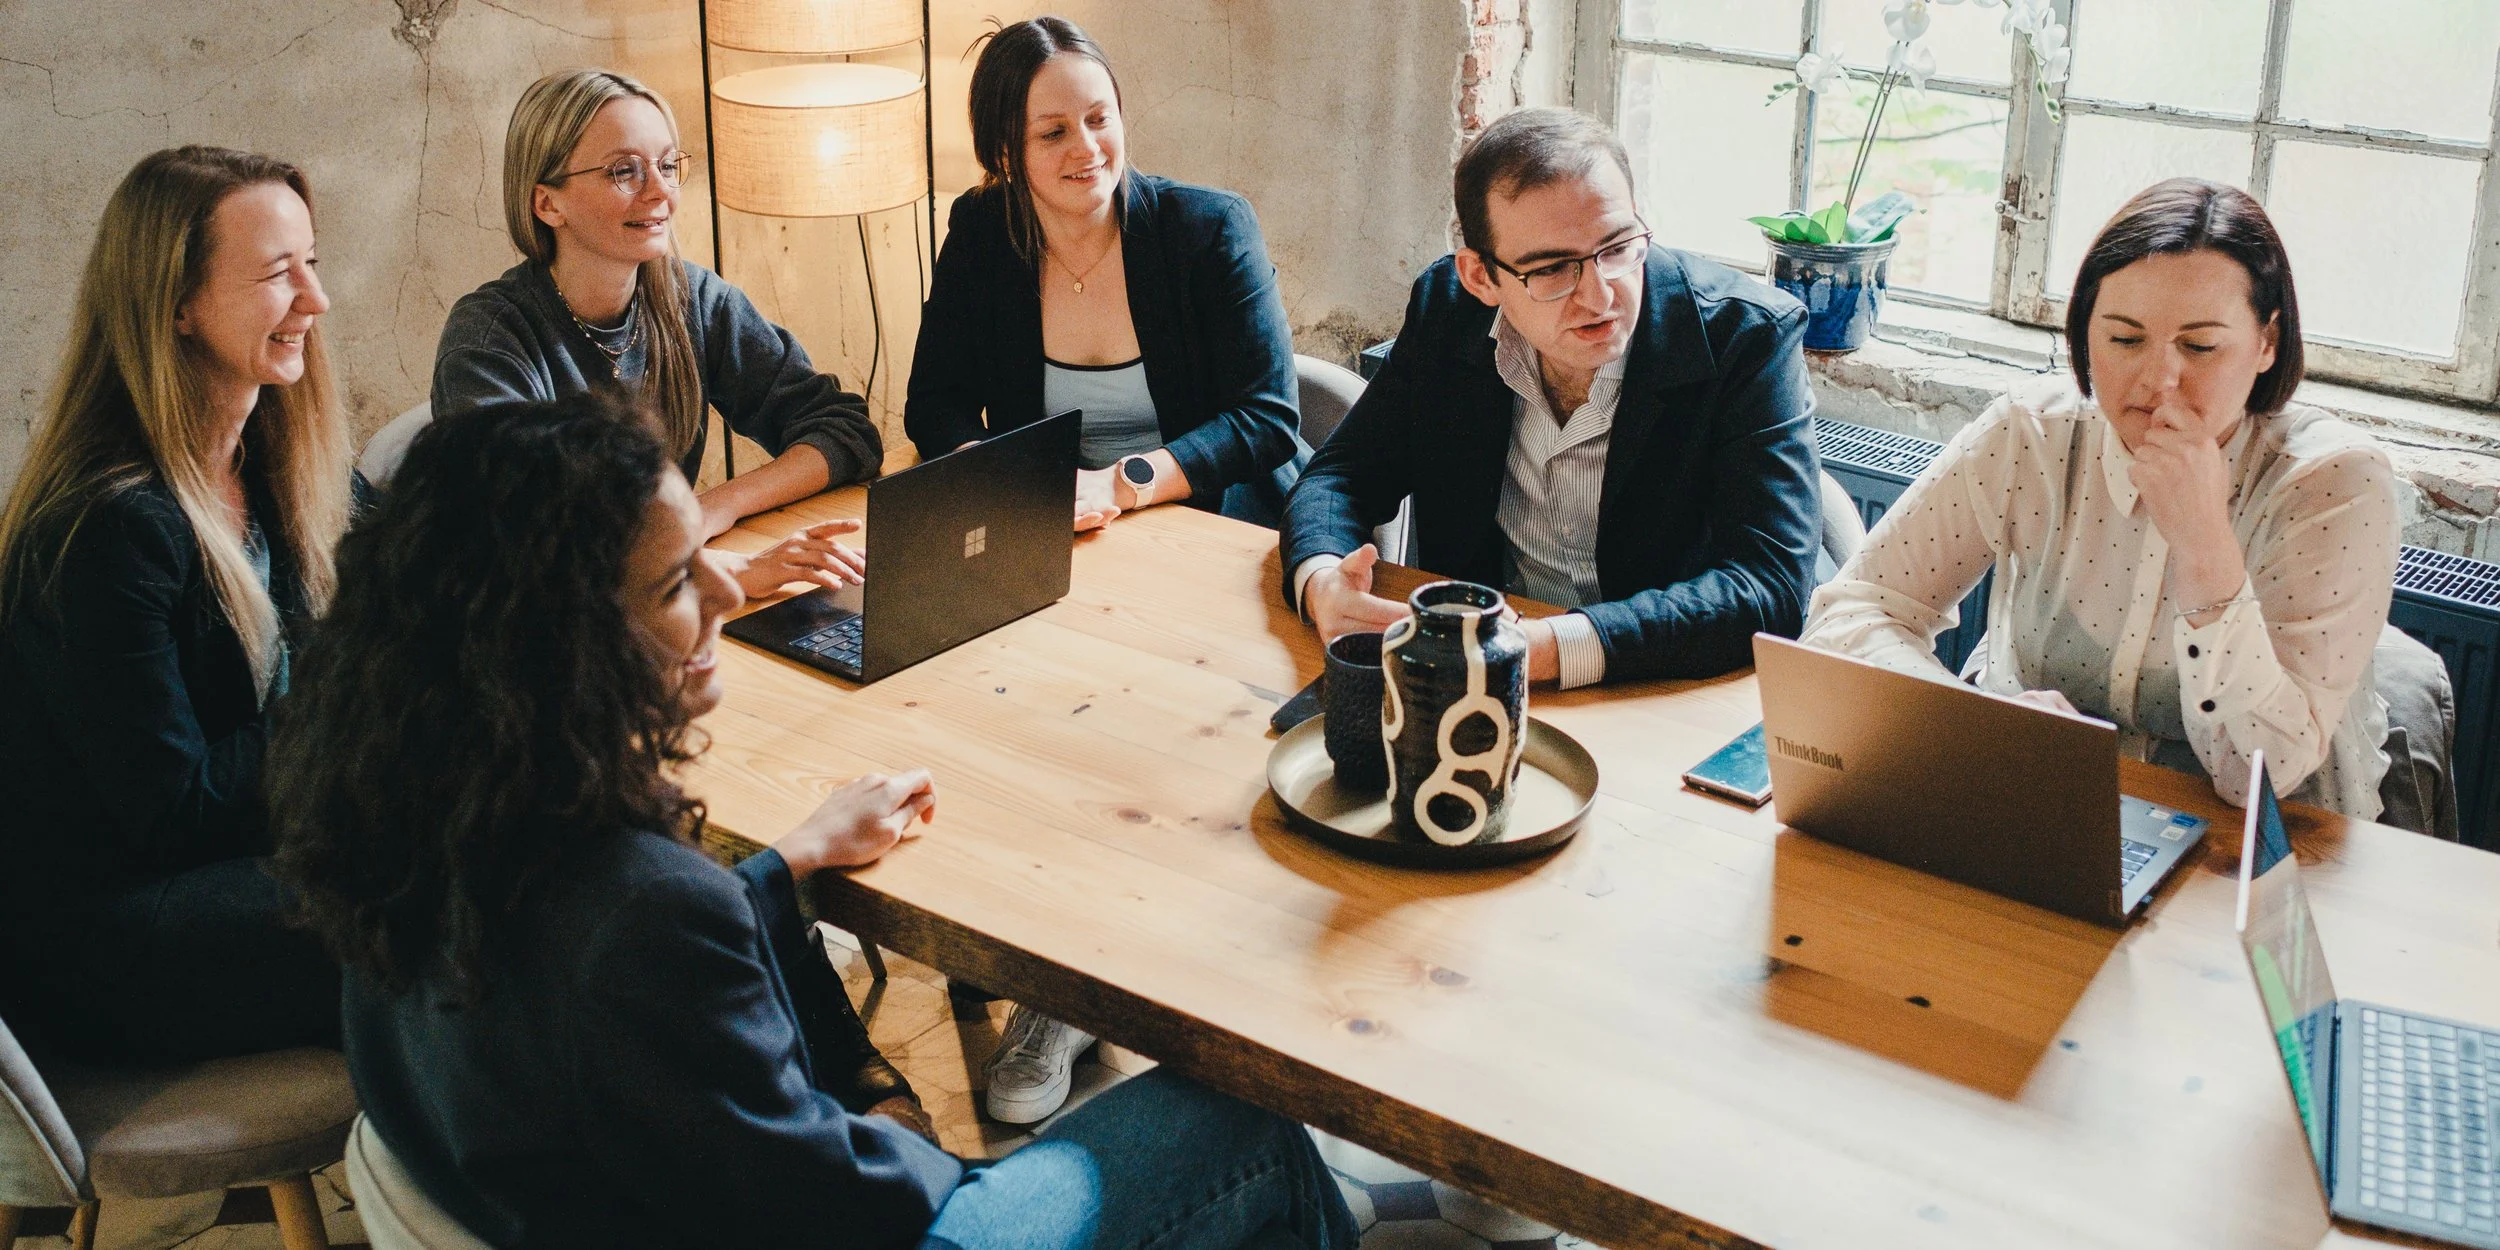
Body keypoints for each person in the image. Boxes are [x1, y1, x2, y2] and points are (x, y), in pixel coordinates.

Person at [269, 393, 1355, 1250]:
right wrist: (920, 1143)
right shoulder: (643, 907)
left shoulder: (407, 815)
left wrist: (786, 861)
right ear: (558, 641)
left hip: (553, 1205)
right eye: (676, 582)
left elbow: (610, 981)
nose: (726, 592)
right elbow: (848, 1203)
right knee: (1237, 1115)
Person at [1801, 178, 2402, 817]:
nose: (2158, 379)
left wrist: (2204, 544)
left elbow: (2258, 775)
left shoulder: (2335, 481)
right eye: (2124, 339)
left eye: (2200, 346)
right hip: (2044, 809)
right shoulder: (2032, 433)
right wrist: (1979, 723)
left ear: (2267, 343)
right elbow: (1851, 613)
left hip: (2271, 837)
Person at [0, 146, 352, 1062]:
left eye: (312, 263)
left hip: (236, 865)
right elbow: (175, 813)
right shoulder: (106, 526)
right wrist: (359, 692)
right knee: (457, 900)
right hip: (108, 931)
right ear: (177, 306)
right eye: (278, 274)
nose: (316, 299)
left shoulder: (276, 466)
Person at [1279, 107, 1822, 688]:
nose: (1600, 296)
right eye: (1553, 269)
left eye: (1617, 247)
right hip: (1476, 676)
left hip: (1665, 681)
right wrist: (1323, 580)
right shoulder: (1448, 310)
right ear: (1480, 277)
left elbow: (1769, 586)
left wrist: (1543, 648)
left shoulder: (1747, 337)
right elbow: (1343, 475)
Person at [433, 68, 874, 600]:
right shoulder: (489, 340)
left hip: (659, 601)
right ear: (548, 203)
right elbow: (524, 545)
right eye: (625, 171)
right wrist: (724, 572)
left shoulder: (694, 299)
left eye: (666, 165)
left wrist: (714, 508)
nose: (662, 191)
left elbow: (842, 430)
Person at [906, 16, 1305, 531]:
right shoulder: (981, 231)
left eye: (1099, 119)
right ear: (1004, 152)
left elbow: (1267, 419)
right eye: (1054, 132)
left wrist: (1118, 483)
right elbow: (934, 403)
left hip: (1218, 519)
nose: (1088, 149)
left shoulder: (1209, 228)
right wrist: (1007, 479)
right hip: (1058, 523)